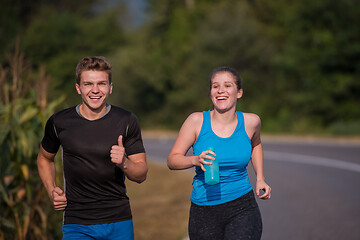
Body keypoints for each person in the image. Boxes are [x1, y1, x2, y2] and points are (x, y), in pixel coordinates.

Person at [37, 56, 147, 240]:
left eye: (101, 84)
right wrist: (51, 190)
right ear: (78, 88)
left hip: (118, 220)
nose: (95, 90)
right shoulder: (60, 122)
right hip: (77, 222)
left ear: (110, 87)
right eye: (88, 84)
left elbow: (141, 174)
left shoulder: (126, 120)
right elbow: (44, 158)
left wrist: (124, 162)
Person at [167, 66, 271, 240]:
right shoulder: (196, 121)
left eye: (227, 85)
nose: (221, 90)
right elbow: (172, 160)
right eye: (215, 86)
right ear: (210, 92)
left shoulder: (251, 122)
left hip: (242, 206)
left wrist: (260, 178)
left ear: (239, 92)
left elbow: (256, 145)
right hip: (204, 209)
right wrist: (195, 160)